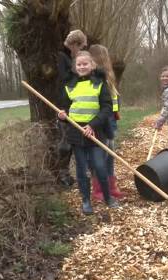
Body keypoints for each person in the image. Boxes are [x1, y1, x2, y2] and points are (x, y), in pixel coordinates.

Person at [58, 50, 119, 215]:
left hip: (96, 131)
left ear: (92, 65)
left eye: (85, 64)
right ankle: (85, 200)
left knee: (99, 166)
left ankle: (108, 197)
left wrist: (92, 125)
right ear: (74, 67)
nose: (82, 66)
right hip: (77, 132)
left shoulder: (100, 83)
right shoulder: (70, 85)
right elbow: (65, 108)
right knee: (82, 169)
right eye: (79, 64)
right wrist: (62, 115)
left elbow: (107, 108)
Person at [89, 44, 124, 201]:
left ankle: (111, 186)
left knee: (110, 155)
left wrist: (115, 115)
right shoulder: (94, 78)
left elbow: (113, 101)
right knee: (101, 156)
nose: (107, 60)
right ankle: (98, 189)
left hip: (111, 121)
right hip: (101, 122)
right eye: (104, 56)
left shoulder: (109, 77)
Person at [57, 30, 88, 187]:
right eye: (81, 45)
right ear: (74, 44)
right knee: (65, 142)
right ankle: (63, 174)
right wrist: (77, 71)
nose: (82, 48)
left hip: (78, 105)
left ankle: (82, 173)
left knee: (79, 140)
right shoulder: (63, 57)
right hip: (65, 105)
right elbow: (65, 78)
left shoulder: (74, 58)